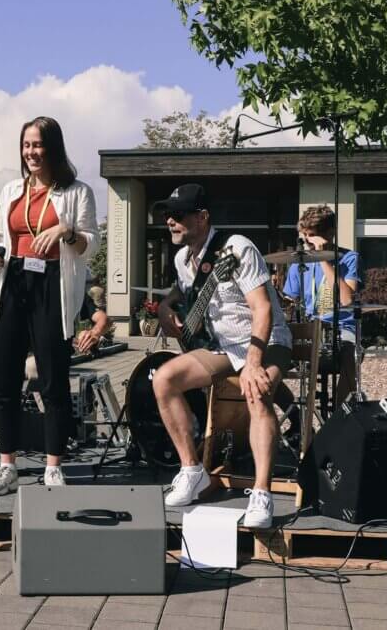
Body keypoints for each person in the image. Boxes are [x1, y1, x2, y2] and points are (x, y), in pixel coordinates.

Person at [150, 183, 292, 529]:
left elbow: (262, 310)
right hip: (223, 347)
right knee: (164, 379)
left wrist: (255, 361)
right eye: (168, 215)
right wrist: (166, 307)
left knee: (256, 392)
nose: (170, 221)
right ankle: (192, 470)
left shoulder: (237, 247)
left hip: (266, 341)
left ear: (202, 218)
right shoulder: (184, 258)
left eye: (178, 215)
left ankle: (261, 493)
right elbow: (182, 290)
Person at [0, 116, 99, 494]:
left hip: (51, 283)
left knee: (53, 379)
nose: (31, 152)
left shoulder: (77, 191)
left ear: (53, 148)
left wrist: (67, 230)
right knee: (4, 378)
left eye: (38, 145)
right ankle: (6, 465)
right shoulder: (12, 189)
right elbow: (2, 237)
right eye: (26, 145)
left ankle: (53, 465)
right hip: (12, 281)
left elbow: (90, 245)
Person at [0, 277, 110, 453]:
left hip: (46, 353)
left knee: (38, 365)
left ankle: (58, 432)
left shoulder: (65, 286)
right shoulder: (18, 277)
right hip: (18, 350)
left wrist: (94, 333)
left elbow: (102, 319)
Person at [282, 205, 361, 407]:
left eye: (312, 235)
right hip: (310, 326)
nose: (307, 241)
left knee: (350, 356)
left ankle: (340, 416)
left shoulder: (349, 258)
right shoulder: (299, 262)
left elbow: (346, 300)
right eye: (304, 235)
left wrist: (324, 259)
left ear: (329, 233)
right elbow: (289, 301)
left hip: (341, 328)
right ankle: (292, 415)